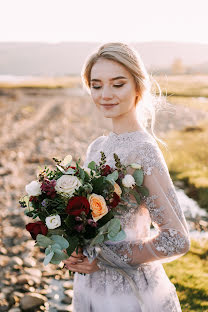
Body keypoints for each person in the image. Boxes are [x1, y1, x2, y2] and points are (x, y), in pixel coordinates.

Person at [63, 42, 190, 312]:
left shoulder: (143, 151)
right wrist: (75, 248)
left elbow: (177, 239)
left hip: (131, 294)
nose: (105, 94)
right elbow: (89, 222)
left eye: (117, 84)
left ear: (138, 87)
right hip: (90, 286)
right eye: (96, 85)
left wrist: (105, 259)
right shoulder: (96, 147)